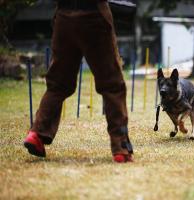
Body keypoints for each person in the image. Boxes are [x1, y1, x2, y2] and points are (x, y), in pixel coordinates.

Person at [23, 0, 133, 163]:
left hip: (63, 17)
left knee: (58, 85)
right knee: (112, 86)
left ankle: (37, 133)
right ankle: (121, 147)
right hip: (94, 14)